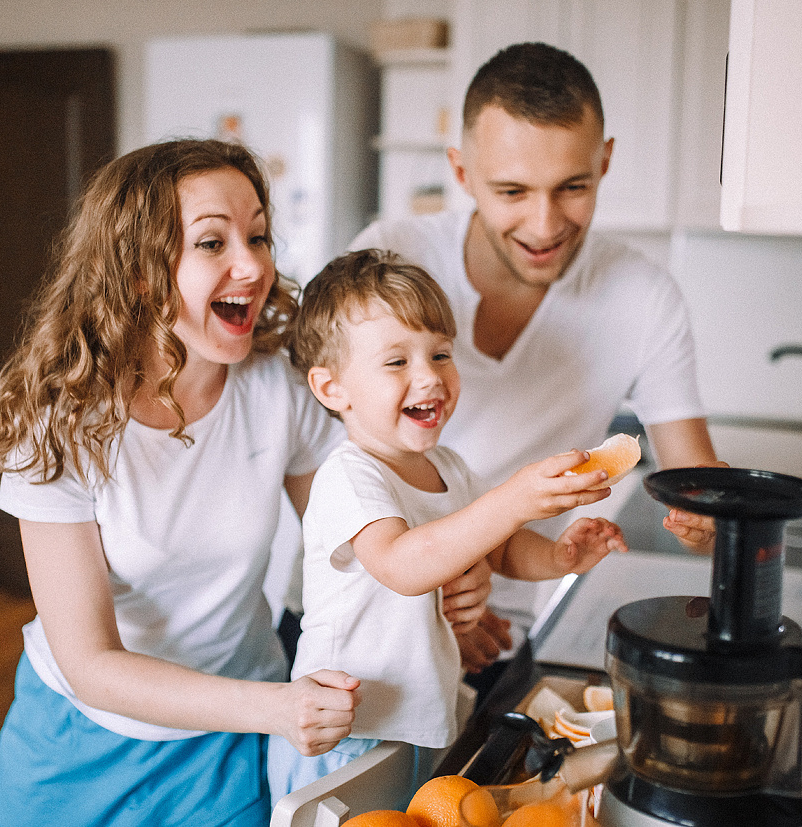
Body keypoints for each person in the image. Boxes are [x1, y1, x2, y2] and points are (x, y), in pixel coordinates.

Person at [0, 140, 372, 827]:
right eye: (213, 241)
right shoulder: (64, 420)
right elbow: (90, 661)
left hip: (228, 741)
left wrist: (443, 576)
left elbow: (353, 542)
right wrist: (278, 708)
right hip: (78, 738)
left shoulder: (278, 388)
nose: (254, 263)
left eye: (258, 235)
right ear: (139, 272)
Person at [346, 42, 725, 683]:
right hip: (374, 614)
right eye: (513, 191)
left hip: (510, 627)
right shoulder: (392, 255)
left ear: (605, 162)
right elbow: (324, 453)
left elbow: (699, 480)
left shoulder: (644, 296)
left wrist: (712, 517)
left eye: (573, 187)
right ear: (461, 173)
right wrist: (432, 597)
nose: (545, 224)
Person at [268, 248, 627, 802]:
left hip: (418, 719)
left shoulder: (448, 468)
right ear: (331, 388)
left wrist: (559, 558)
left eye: (439, 354)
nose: (429, 378)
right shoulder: (348, 477)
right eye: (396, 362)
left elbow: (502, 548)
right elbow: (403, 563)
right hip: (347, 734)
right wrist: (514, 497)